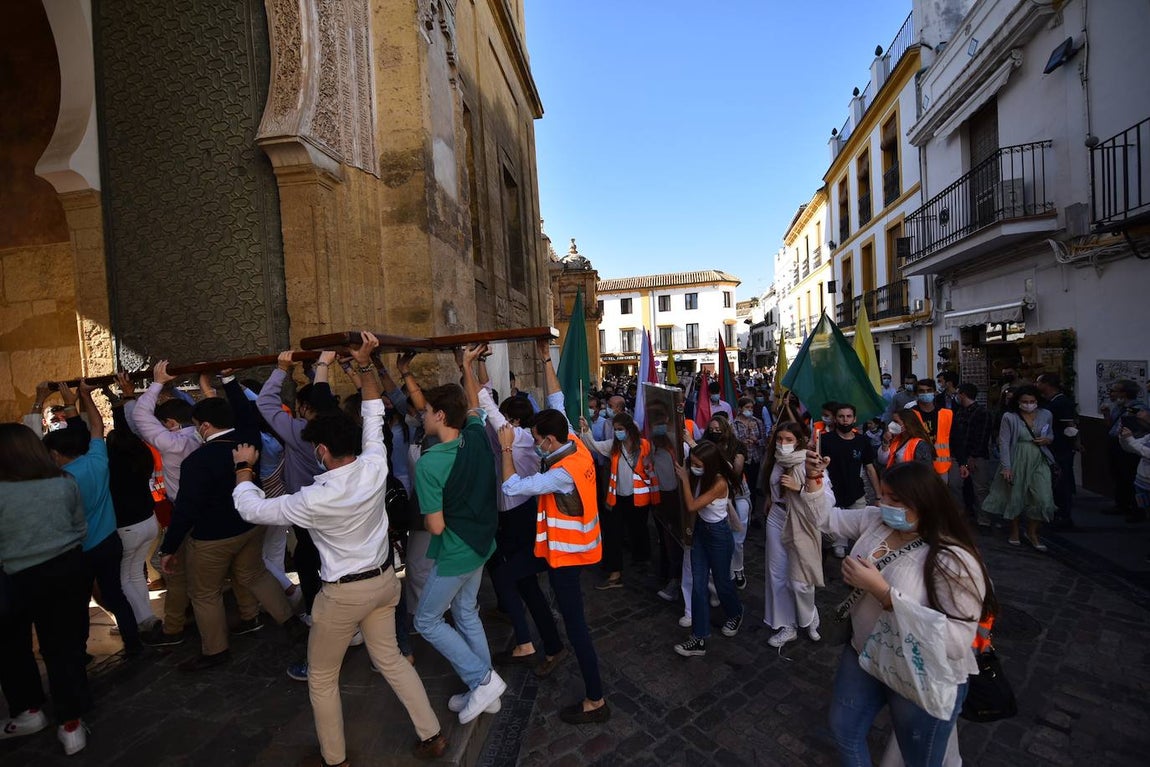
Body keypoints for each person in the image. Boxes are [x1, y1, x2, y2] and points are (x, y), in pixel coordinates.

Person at [232, 333, 446, 764]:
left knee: (323, 678)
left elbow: (251, 508)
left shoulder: (312, 499)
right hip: (384, 582)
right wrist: (364, 364)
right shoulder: (374, 464)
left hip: (344, 594)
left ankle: (335, 758)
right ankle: (433, 734)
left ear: (322, 450)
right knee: (392, 662)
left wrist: (243, 468)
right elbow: (372, 413)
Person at [802, 457, 994, 767]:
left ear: (924, 503)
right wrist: (814, 480)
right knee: (844, 728)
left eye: (894, 499)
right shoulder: (876, 521)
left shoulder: (954, 560)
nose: (883, 503)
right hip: (864, 653)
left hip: (917, 671)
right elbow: (826, 519)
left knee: (919, 757)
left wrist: (883, 593)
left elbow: (957, 642)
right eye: (882, 495)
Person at [155, 396, 298, 671]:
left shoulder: (197, 461)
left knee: (205, 593)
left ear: (206, 426)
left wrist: (169, 547)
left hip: (212, 537)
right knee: (255, 574)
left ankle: (215, 650)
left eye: (197, 425)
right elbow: (246, 411)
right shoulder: (248, 441)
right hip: (249, 526)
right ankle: (289, 621)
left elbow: (186, 508)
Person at [498, 404, 611, 724]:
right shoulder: (575, 448)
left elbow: (512, 487)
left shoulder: (561, 474)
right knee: (508, 574)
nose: (534, 445)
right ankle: (540, 643)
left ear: (549, 440)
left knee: (578, 630)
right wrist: (545, 357)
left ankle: (596, 700)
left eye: (536, 439)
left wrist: (507, 447)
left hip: (565, 557)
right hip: (552, 550)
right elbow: (559, 399)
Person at [411, 361, 504, 725]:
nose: (422, 417)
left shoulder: (430, 463)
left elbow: (434, 527)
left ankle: (482, 680)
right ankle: (484, 687)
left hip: (455, 551)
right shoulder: (477, 434)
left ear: (440, 415)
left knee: (426, 620)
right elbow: (475, 406)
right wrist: (466, 365)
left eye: (427, 412)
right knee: (466, 613)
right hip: (481, 544)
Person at [0, 423, 93, 755]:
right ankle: (71, 725)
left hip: (13, 574)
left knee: (12, 647)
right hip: (65, 569)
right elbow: (79, 526)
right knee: (63, 648)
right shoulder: (62, 482)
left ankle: (29, 711)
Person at [478, 340, 568, 676]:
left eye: (509, 420)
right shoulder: (532, 438)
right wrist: (545, 359)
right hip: (519, 515)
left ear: (514, 421)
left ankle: (528, 644)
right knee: (525, 583)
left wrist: (467, 364)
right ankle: (551, 645)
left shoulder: (516, 439)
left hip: (521, 516)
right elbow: (489, 399)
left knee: (505, 576)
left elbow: (486, 403)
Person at [42, 383, 143, 657]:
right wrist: (85, 397)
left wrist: (51, 401)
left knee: (78, 603)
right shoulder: (97, 460)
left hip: (80, 549)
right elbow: (97, 427)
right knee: (116, 595)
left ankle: (80, 652)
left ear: (54, 454)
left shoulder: (60, 481)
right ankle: (133, 643)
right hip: (109, 541)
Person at [671, 441, 744, 658]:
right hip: (702, 531)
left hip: (718, 535)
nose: (693, 467)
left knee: (722, 582)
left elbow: (693, 505)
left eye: (697, 464)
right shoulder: (702, 475)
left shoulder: (720, 482)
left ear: (710, 465)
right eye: (692, 463)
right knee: (698, 583)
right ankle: (699, 637)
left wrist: (684, 478)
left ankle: (735, 612)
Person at [579, 411, 659, 590]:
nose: (617, 432)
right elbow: (594, 446)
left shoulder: (644, 446)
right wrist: (586, 431)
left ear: (629, 429)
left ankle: (642, 560)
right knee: (613, 534)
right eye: (615, 429)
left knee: (639, 530)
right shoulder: (613, 446)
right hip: (617, 498)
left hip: (639, 497)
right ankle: (615, 572)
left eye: (620, 429)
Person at [761, 421, 823, 648]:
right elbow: (772, 485)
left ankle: (810, 613)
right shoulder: (775, 460)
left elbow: (826, 498)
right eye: (779, 439)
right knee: (777, 574)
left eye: (788, 440)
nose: (783, 444)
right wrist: (771, 496)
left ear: (799, 441)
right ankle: (786, 625)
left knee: (801, 579)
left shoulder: (810, 461)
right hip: (777, 517)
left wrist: (800, 488)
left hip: (801, 522)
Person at [982, 385, 1056, 551]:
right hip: (1017, 458)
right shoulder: (1010, 417)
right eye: (1025, 402)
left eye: (1032, 401)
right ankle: (1014, 531)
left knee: (1043, 498)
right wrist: (1006, 467)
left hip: (1038, 458)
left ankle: (1032, 532)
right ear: (1018, 402)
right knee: (1015, 496)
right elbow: (1004, 442)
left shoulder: (1046, 415)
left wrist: (1047, 440)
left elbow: (1051, 433)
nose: (1029, 405)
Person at [821, 403, 880, 558]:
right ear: (835, 419)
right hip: (833, 496)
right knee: (834, 543)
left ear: (854, 419)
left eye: (848, 417)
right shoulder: (825, 440)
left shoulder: (862, 441)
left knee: (862, 535)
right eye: (841, 416)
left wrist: (878, 495)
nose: (845, 420)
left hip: (856, 493)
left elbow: (870, 468)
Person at [1035, 373, 1079, 528]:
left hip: (1060, 448)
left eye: (1038, 382)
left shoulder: (1061, 403)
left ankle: (1064, 516)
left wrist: (1072, 442)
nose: (1036, 385)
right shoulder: (1051, 402)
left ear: (1046, 384)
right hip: (1053, 447)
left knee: (1062, 482)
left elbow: (1070, 426)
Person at [952, 383, 995, 529]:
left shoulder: (981, 412)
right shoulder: (959, 411)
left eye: (958, 393)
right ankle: (967, 514)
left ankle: (984, 519)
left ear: (963, 394)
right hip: (961, 456)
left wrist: (972, 456)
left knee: (980, 489)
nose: (956, 396)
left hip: (977, 457)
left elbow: (982, 437)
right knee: (963, 487)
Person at [1103, 379, 1145, 520]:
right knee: (1118, 475)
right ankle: (1121, 504)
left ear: (1124, 393)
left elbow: (1139, 425)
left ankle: (1137, 509)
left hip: (1129, 446)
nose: (1111, 394)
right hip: (1115, 444)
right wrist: (1106, 413)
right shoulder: (1118, 407)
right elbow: (1111, 425)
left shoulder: (1137, 407)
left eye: (1114, 390)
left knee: (1130, 477)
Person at [733, 396, 767, 523]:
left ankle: (752, 513)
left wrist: (757, 441)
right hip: (742, 461)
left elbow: (765, 441)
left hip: (755, 459)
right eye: (747, 407)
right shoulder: (734, 424)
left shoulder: (757, 422)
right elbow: (733, 443)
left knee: (753, 487)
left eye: (751, 408)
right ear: (741, 409)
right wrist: (743, 442)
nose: (750, 410)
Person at [1119, 409, 1150, 524]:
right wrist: (1123, 438)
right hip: (1141, 483)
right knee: (1145, 510)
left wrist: (1130, 439)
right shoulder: (1148, 436)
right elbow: (1131, 448)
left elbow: (1146, 452)